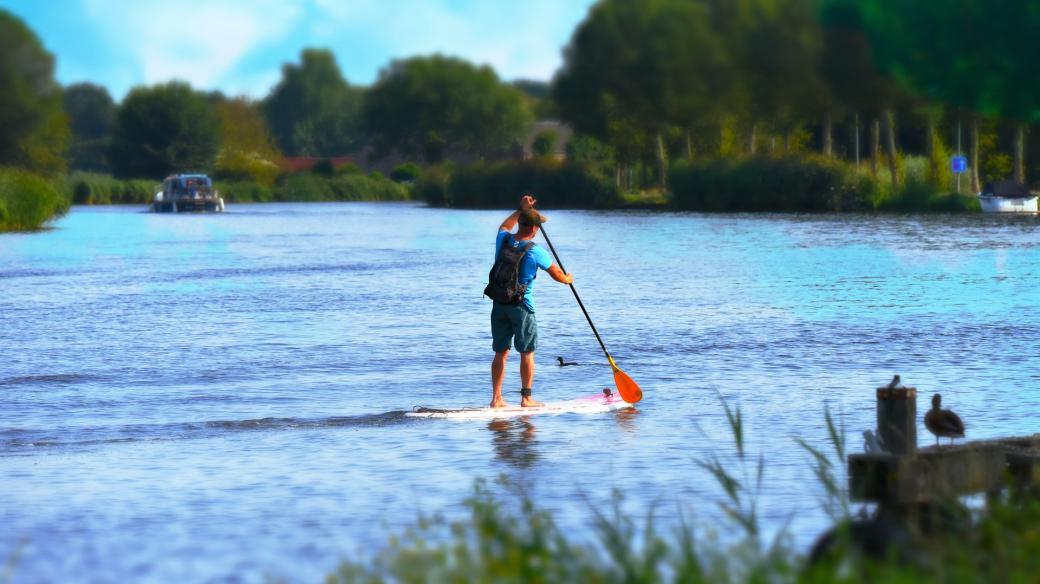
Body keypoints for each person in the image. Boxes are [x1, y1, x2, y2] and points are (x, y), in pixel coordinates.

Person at [489, 194, 573, 408]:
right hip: (522, 308)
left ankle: (496, 399)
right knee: (527, 352)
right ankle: (526, 398)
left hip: (499, 304)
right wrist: (567, 279)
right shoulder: (536, 251)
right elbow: (556, 273)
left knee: (501, 352)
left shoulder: (504, 240)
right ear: (535, 228)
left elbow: (504, 226)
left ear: (520, 222)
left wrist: (521, 209)